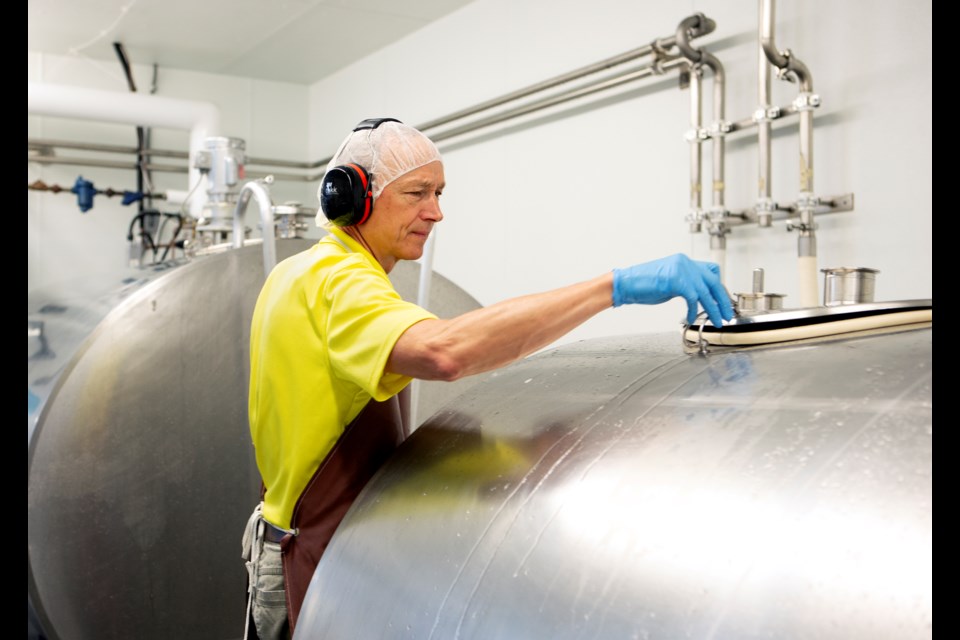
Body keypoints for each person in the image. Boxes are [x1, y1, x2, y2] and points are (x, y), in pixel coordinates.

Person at [240, 117, 734, 639]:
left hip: (302, 542)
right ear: (355, 197)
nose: (435, 212)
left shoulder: (298, 272)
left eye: (438, 192)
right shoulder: (337, 282)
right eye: (416, 193)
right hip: (313, 562)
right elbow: (445, 352)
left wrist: (515, 455)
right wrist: (615, 287)